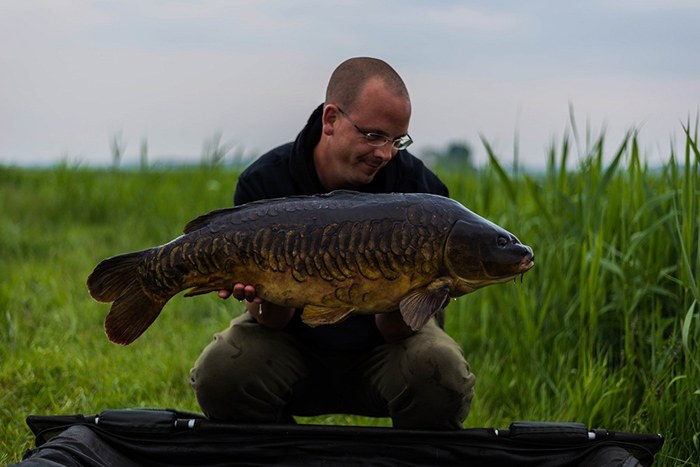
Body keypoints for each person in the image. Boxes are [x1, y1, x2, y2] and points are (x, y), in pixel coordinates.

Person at [190, 57, 475, 429]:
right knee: (221, 373)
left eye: (397, 140)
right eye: (373, 136)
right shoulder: (266, 183)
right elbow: (271, 321)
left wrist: (403, 286)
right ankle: (281, 451)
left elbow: (396, 330)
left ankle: (407, 454)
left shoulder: (423, 196)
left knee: (442, 373)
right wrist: (260, 296)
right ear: (330, 120)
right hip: (290, 347)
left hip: (386, 355)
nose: (385, 154)